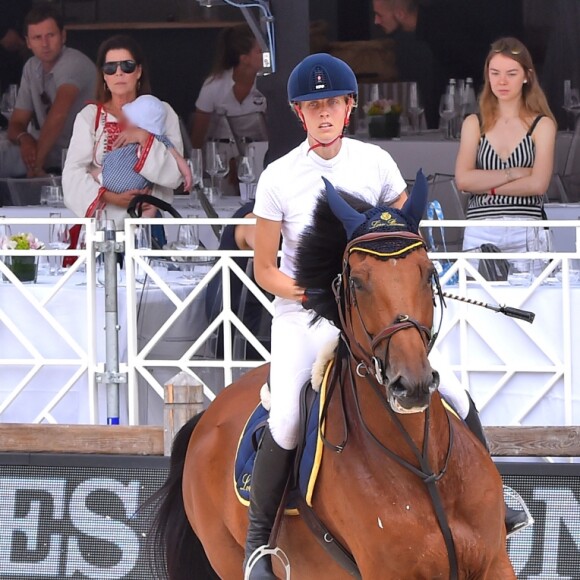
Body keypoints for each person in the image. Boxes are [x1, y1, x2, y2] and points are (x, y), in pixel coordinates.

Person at [243, 52, 409, 579]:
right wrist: (316, 295)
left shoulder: (376, 163)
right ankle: (257, 545)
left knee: (449, 389)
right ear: (298, 113)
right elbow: (264, 268)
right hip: (303, 315)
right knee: (289, 414)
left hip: (370, 315)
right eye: (311, 106)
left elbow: (402, 236)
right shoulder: (278, 176)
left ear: (349, 106)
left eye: (331, 103)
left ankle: (494, 504)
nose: (322, 114)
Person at [63, 35, 183, 230]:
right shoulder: (90, 116)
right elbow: (72, 174)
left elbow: (175, 173)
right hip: (102, 225)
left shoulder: (163, 112)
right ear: (103, 75)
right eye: (110, 67)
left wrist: (143, 138)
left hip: (148, 221)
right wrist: (111, 197)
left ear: (139, 71)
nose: (118, 73)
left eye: (127, 66)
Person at [455, 37, 557, 255]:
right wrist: (515, 173)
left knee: (535, 289)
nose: (502, 81)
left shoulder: (542, 124)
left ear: (527, 76)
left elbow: (538, 185)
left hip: (527, 227)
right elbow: (463, 180)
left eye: (511, 74)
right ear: (487, 76)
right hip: (481, 227)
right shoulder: (474, 123)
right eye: (495, 73)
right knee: (473, 289)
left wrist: (487, 187)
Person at [4, 3, 96, 177]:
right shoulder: (31, 67)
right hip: (46, 149)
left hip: (83, 154)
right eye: (37, 37)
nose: (45, 44)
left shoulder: (73, 62)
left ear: (63, 36)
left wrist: (36, 166)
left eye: (50, 35)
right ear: (28, 42)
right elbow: (16, 123)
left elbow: (58, 116)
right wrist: (25, 139)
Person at [96, 94, 192, 208]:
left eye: (129, 119)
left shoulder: (152, 135)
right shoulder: (160, 138)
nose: (119, 74)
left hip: (108, 178)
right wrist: (187, 174)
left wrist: (144, 138)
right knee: (149, 200)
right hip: (135, 187)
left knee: (96, 172)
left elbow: (173, 170)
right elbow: (177, 157)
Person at [190, 23, 266, 150]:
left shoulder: (269, 85)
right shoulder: (213, 86)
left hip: (262, 153)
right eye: (260, 51)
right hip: (220, 157)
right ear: (244, 59)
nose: (267, 55)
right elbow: (197, 138)